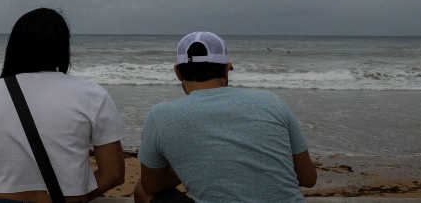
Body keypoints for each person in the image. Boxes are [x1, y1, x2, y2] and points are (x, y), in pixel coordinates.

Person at [0, 8, 127, 203]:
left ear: (13, 47)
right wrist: (76, 197)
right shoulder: (93, 95)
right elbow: (113, 174)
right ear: (63, 48)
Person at [134, 32, 318, 203]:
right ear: (226, 69)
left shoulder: (161, 115)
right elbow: (308, 178)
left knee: (141, 191)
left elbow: (151, 185)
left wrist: (191, 163)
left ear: (178, 72)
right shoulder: (272, 102)